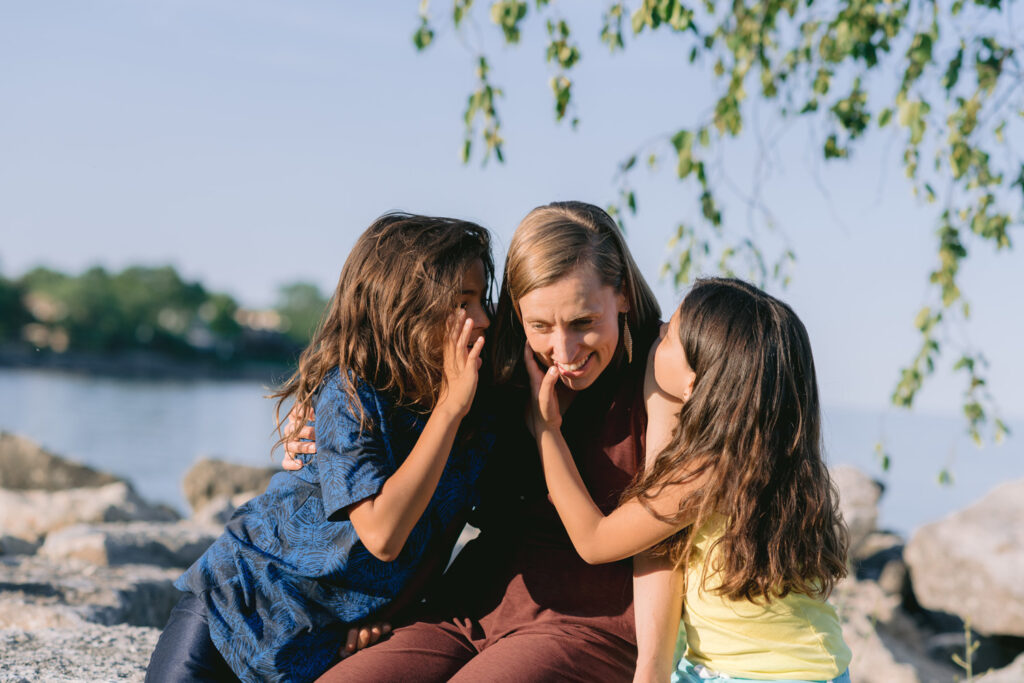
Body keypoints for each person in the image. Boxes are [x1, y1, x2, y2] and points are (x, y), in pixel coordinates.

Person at [301, 200, 674, 682]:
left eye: (583, 322)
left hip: (589, 622)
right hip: (470, 603)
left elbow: (667, 540)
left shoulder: (664, 368)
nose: (564, 352)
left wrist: (653, 668)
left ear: (621, 293)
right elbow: (376, 369)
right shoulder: (493, 353)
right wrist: (311, 417)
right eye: (540, 326)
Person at [145, 213, 496, 683]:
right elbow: (383, 533)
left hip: (322, 641)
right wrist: (449, 410)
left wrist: (396, 609)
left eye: (481, 299)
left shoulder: (479, 414)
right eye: (462, 302)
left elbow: (442, 532)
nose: (482, 319)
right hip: (237, 605)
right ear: (406, 307)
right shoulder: (352, 391)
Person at [526, 277, 853, 683]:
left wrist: (546, 430)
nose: (657, 335)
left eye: (667, 339)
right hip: (809, 668)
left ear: (695, 385)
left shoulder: (707, 473)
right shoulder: (772, 458)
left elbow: (594, 540)